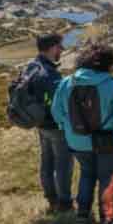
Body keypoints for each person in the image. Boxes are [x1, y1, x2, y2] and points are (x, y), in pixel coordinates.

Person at [52, 41, 113, 224]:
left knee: (87, 174)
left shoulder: (67, 82)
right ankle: (106, 217)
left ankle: (82, 214)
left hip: (77, 141)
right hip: (106, 140)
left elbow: (57, 111)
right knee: (106, 177)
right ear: (107, 62)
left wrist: (67, 128)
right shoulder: (110, 83)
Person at [26, 33, 74, 214]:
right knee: (63, 164)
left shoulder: (32, 66)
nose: (62, 50)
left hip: (40, 124)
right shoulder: (49, 74)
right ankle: (64, 202)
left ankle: (51, 197)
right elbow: (61, 102)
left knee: (46, 160)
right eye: (60, 47)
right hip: (55, 126)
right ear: (52, 47)